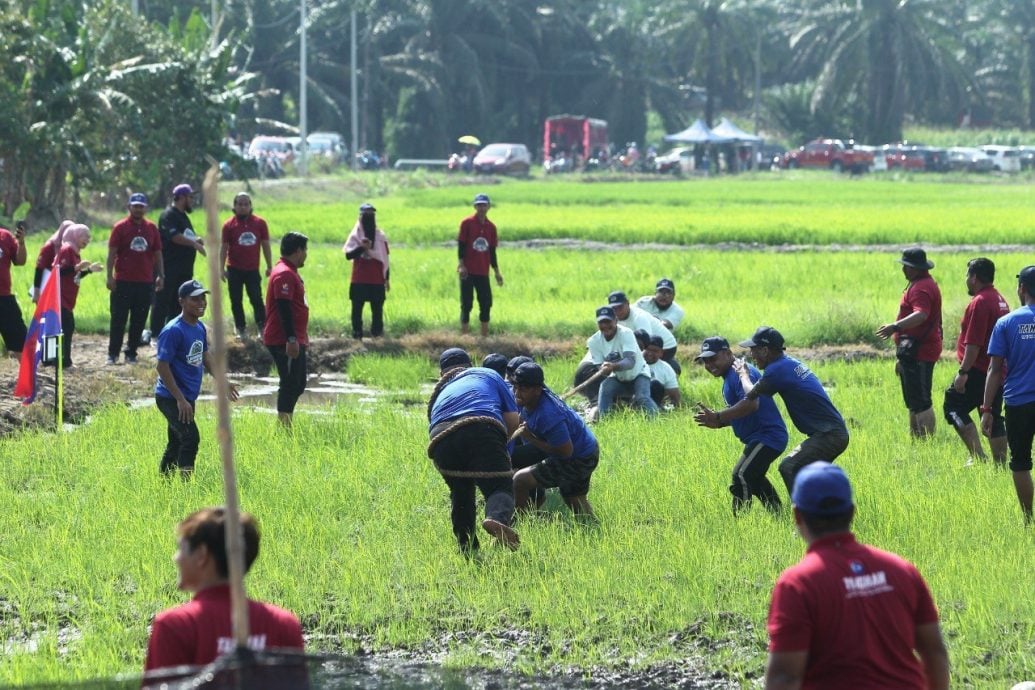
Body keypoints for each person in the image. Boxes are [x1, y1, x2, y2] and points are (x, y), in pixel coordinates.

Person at [765, 462, 949, 689]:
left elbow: (785, 678)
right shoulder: (901, 570)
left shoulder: (798, 585)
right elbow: (934, 652)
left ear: (797, 516)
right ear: (851, 511)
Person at [144, 507, 304, 673]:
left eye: (180, 548)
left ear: (201, 555)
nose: (176, 558)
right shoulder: (285, 624)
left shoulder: (175, 625)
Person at [707, 327, 848, 496]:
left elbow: (750, 397)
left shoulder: (776, 370)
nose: (751, 355)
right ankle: (821, 511)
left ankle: (804, 513)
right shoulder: (788, 363)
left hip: (829, 435)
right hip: (829, 433)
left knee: (789, 466)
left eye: (753, 350)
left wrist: (743, 374)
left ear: (765, 350)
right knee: (806, 475)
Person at [426, 348, 520, 552]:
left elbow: (434, 422)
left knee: (461, 493)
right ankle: (495, 518)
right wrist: (499, 449)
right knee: (500, 487)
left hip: (440, 439)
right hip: (481, 428)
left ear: (441, 374)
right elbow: (513, 419)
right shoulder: (488, 374)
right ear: (470, 364)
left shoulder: (441, 390)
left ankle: (468, 549)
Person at [694, 336, 788, 513]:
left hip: (768, 436)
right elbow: (744, 411)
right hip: (761, 437)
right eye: (705, 361)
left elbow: (752, 404)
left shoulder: (742, 373)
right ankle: (778, 514)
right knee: (754, 476)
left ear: (728, 353)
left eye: (713, 359)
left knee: (741, 474)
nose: (709, 365)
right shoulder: (731, 375)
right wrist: (720, 423)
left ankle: (741, 521)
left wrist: (719, 416)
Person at [155, 280, 239, 476]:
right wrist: (180, 400)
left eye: (203, 298)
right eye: (195, 299)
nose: (201, 302)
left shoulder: (199, 327)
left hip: (187, 397)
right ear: (181, 301)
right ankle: (186, 488)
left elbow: (205, 356)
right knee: (190, 438)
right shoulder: (173, 330)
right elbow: (162, 366)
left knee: (176, 442)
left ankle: (164, 485)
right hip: (170, 397)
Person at [982, 265, 1035, 525]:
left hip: (1018, 403)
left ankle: (1028, 520)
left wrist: (987, 409)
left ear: (1022, 289)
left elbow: (994, 371)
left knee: (1021, 462)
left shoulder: (1007, 322)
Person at [511, 362, 600, 518]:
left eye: (523, 389)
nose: (517, 393)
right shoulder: (531, 399)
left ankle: (517, 525)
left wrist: (530, 438)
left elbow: (566, 451)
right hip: (587, 449)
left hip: (578, 457)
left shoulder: (549, 414)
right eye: (515, 387)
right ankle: (591, 527)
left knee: (520, 480)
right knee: (574, 498)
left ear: (538, 390)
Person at [943, 258, 1010, 464]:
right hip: (997, 370)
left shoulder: (980, 302)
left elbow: (974, 343)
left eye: (967, 275)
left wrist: (963, 372)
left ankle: (977, 457)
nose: (966, 280)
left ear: (974, 277)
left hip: (979, 368)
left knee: (953, 405)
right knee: (992, 414)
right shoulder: (1000, 299)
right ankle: (1000, 465)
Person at [876, 248, 943, 439]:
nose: (903, 270)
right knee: (914, 400)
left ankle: (926, 443)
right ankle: (917, 440)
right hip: (912, 351)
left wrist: (895, 326)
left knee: (921, 401)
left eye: (906, 266)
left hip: (920, 350)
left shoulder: (921, 287)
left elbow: (921, 314)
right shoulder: (920, 284)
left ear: (914, 268)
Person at [106, 193, 164, 365]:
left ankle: (131, 352)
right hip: (123, 281)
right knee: (118, 318)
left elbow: (158, 253)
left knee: (139, 319)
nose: (138, 209)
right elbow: (111, 254)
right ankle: (112, 353)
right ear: (129, 207)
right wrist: (109, 276)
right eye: (135, 206)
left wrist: (161, 275)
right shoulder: (120, 227)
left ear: (146, 208)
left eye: (141, 206)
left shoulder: (151, 228)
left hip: (145, 281)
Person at [262, 232, 310, 428]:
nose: (306, 254)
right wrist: (291, 338)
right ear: (298, 251)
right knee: (290, 383)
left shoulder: (289, 271)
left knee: (297, 383)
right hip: (283, 339)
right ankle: (283, 428)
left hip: (293, 337)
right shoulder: (284, 273)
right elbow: (283, 307)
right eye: (305, 250)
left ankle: (285, 423)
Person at [152, 183, 205, 337]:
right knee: (162, 302)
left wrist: (196, 239)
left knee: (178, 302)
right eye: (190, 197)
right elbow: (175, 237)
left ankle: (172, 333)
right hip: (169, 267)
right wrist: (194, 243)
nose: (193, 200)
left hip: (184, 269)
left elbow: (185, 235)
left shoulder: (183, 216)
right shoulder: (168, 215)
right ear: (181, 197)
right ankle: (155, 335)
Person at [587, 306, 658, 418]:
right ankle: (604, 420)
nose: (605, 326)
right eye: (602, 322)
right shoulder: (593, 341)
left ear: (615, 320)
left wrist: (613, 366)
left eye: (608, 321)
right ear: (597, 324)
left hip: (639, 373)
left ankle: (656, 420)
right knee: (605, 387)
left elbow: (630, 362)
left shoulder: (626, 333)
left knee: (641, 397)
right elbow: (599, 368)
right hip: (619, 377)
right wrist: (603, 369)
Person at [220, 192, 272, 340]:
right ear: (234, 206)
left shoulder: (260, 223)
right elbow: (223, 247)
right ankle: (241, 329)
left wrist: (269, 265)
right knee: (236, 300)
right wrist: (221, 269)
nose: (243, 207)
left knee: (256, 298)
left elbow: (266, 245)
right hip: (234, 269)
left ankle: (263, 328)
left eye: (246, 204)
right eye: (240, 204)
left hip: (252, 269)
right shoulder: (228, 225)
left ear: (250, 206)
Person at [55, 224, 103, 368]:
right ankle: (63, 361)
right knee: (67, 327)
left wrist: (89, 270)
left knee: (67, 328)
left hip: (68, 300)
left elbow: (74, 275)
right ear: (75, 235)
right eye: (85, 236)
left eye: (89, 237)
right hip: (61, 298)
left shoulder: (75, 252)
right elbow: (59, 271)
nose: (87, 240)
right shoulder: (67, 249)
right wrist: (77, 267)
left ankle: (62, 360)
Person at [457, 193, 502, 336]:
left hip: (483, 271)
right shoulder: (467, 223)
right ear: (475, 206)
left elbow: (492, 251)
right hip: (468, 271)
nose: (482, 208)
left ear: (489, 206)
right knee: (467, 303)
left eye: (484, 205)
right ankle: (464, 335)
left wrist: (496, 272)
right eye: (479, 205)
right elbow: (462, 245)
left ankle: (484, 335)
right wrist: (461, 265)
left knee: (486, 303)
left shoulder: (491, 227)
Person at [343, 202, 389, 339]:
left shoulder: (380, 236)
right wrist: (362, 248)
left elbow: (386, 258)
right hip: (359, 278)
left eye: (371, 215)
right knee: (357, 309)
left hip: (377, 278)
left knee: (377, 309)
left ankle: (377, 336)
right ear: (361, 216)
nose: (369, 217)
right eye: (366, 215)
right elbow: (348, 255)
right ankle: (357, 334)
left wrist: (387, 278)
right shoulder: (355, 236)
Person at [609, 290, 680, 375]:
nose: (617, 311)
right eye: (614, 308)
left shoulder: (639, 317)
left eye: (620, 307)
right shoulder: (612, 318)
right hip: (643, 343)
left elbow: (646, 342)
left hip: (665, 347)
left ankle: (670, 366)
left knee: (641, 367)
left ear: (627, 303)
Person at [0, 220, 28, 356]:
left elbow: (20, 261)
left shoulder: (5, 236)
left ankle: (27, 373)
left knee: (20, 338)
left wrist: (21, 243)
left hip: (4, 297)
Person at [31, 220, 71, 304]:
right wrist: (36, 292)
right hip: (46, 285)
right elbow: (39, 269)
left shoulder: (68, 248)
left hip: (60, 288)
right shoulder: (50, 246)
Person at [642, 335, 680, 408]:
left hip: (654, 402)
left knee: (655, 385)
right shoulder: (634, 362)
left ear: (661, 353)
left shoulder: (666, 368)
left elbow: (675, 398)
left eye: (655, 351)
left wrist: (667, 408)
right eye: (648, 349)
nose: (650, 353)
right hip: (632, 398)